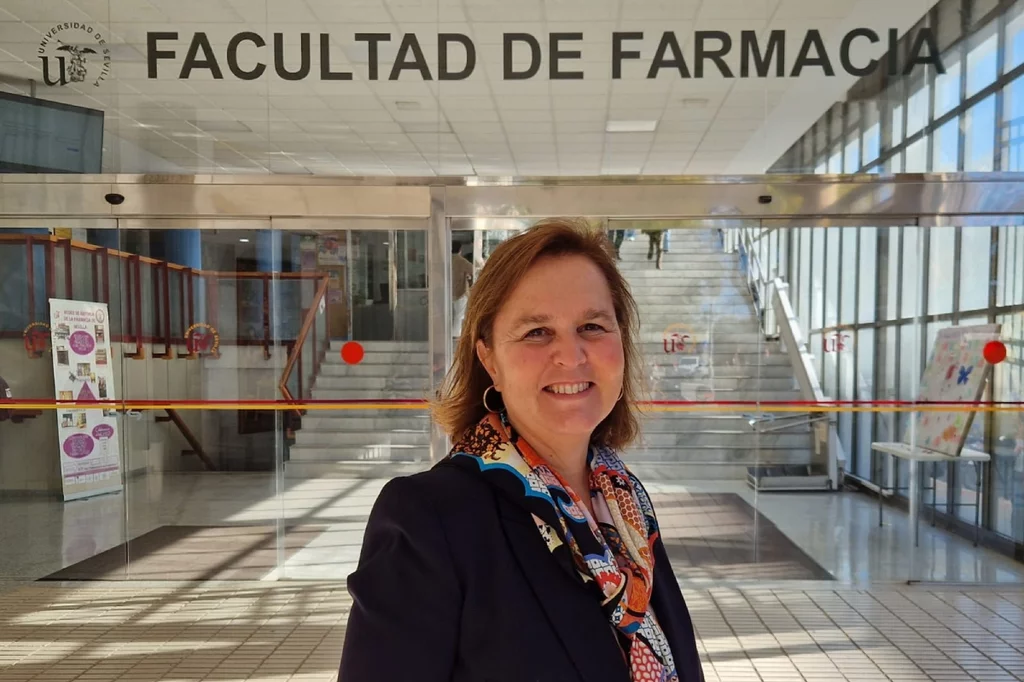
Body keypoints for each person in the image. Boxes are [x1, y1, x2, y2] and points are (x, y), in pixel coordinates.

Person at [340, 219, 704, 682]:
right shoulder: (430, 518)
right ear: (488, 358)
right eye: (536, 332)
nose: (571, 356)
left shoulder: (625, 501)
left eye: (592, 326)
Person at [451, 240, 474, 339]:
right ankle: (455, 335)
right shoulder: (462, 261)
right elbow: (473, 270)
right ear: (460, 250)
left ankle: (449, 333)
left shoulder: (445, 260)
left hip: (446, 293)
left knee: (447, 315)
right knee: (459, 315)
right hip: (459, 292)